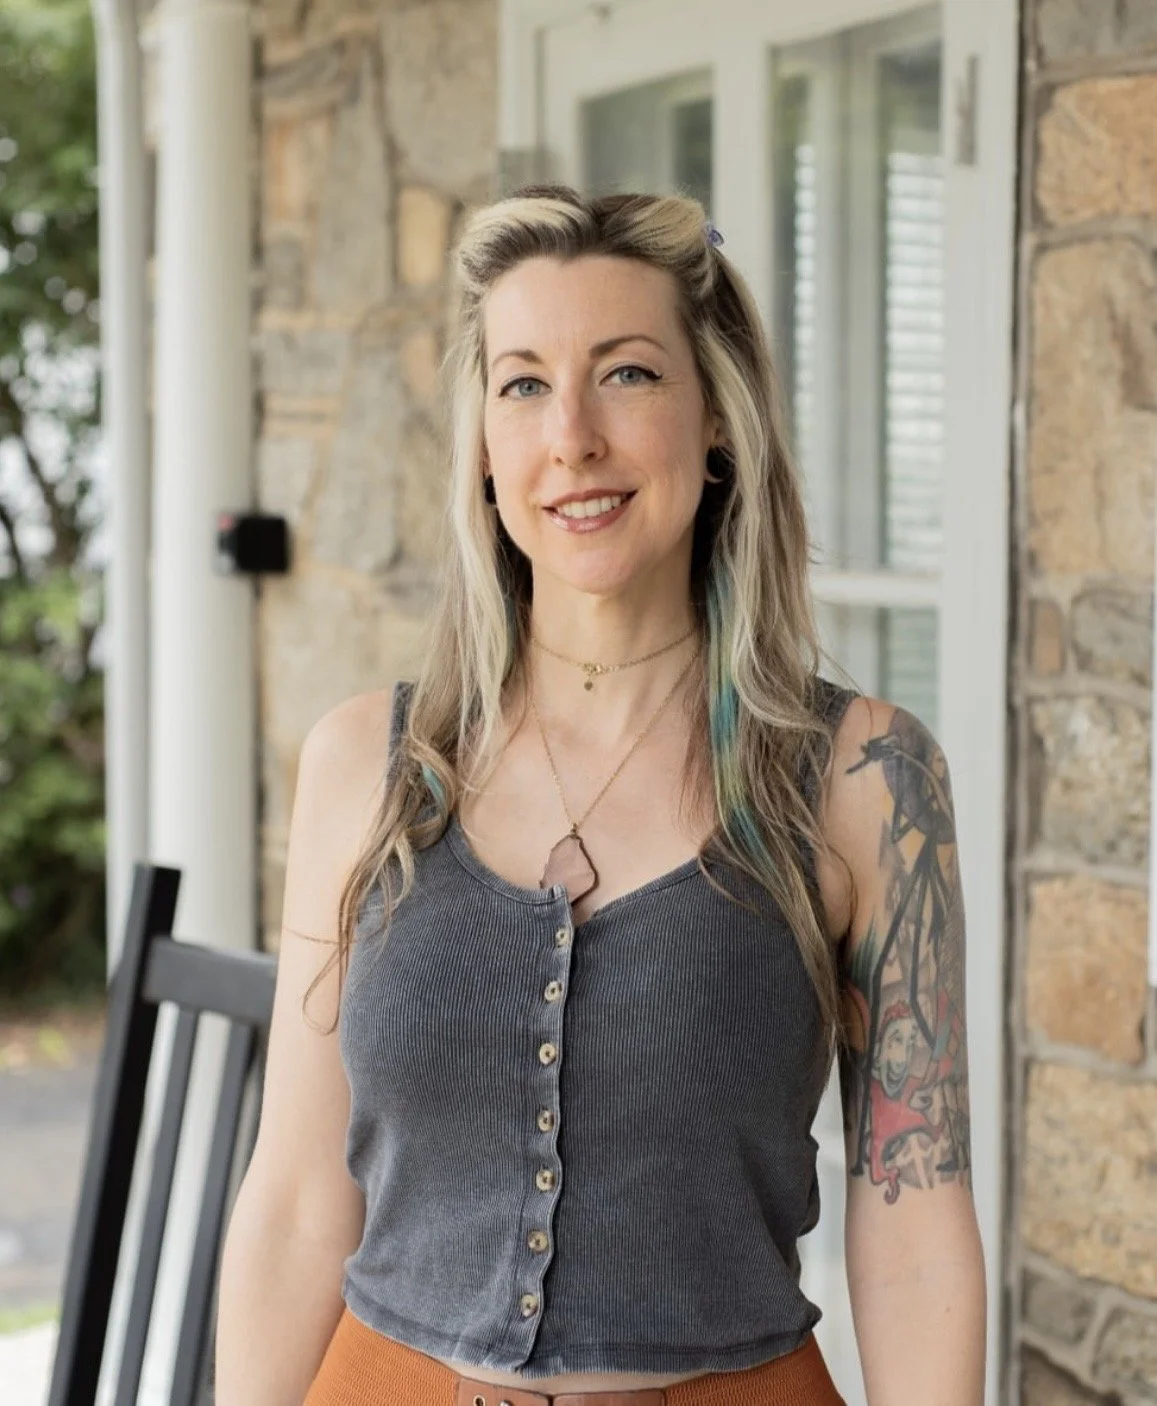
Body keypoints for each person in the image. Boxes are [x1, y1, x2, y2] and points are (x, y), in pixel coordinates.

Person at [215, 185, 987, 1406]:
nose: (569, 436)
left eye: (625, 373)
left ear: (716, 417)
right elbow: (300, 1199)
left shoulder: (865, 779)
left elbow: (914, 1226)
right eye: (522, 383)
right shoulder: (365, 762)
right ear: (483, 444)